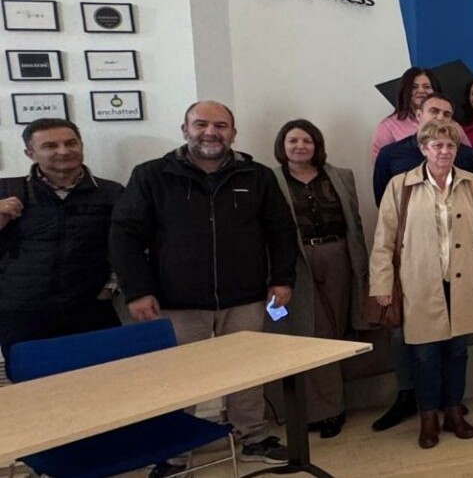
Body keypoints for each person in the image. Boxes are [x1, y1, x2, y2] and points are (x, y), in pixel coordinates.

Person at [110, 101, 297, 465]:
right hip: (177, 300)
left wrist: (282, 279)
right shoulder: (151, 175)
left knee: (248, 369)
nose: (211, 132)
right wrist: (138, 290)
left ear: (233, 133)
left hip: (245, 296)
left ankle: (252, 435)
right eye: (201, 124)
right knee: (179, 376)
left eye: (221, 125)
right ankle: (175, 450)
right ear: (185, 129)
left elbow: (281, 232)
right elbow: (124, 235)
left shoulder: (257, 176)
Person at [369, 120, 473, 449]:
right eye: (437, 145)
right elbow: (383, 241)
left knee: (458, 352)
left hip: (464, 281)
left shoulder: (472, 184)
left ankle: (453, 411)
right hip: (419, 283)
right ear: (424, 149)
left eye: (450, 145)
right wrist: (382, 285)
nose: (444, 151)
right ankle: (428, 416)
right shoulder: (401, 186)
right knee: (425, 355)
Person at [270, 119, 370, 439]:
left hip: (338, 257)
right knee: (311, 331)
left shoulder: (340, 176)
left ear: (317, 145)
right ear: (282, 146)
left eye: (307, 141)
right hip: (296, 262)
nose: (300, 146)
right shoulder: (270, 180)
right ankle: (324, 410)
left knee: (335, 330)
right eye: (293, 141)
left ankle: (327, 408)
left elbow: (354, 222)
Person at [0, 119, 124, 371]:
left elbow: (125, 246)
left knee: (103, 379)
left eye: (71, 143)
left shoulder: (111, 192)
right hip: (22, 311)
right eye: (50, 146)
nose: (63, 151)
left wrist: (110, 288)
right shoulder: (6, 190)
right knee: (32, 382)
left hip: (89, 309)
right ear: (30, 153)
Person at [375, 94, 473, 204]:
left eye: (446, 114)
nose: (440, 117)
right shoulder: (390, 154)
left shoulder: (467, 155)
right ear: (419, 115)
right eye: (434, 111)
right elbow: (384, 202)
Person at [371, 67, 441, 160]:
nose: (421, 91)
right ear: (405, 91)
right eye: (414, 87)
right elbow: (381, 163)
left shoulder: (449, 122)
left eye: (427, 87)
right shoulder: (387, 127)